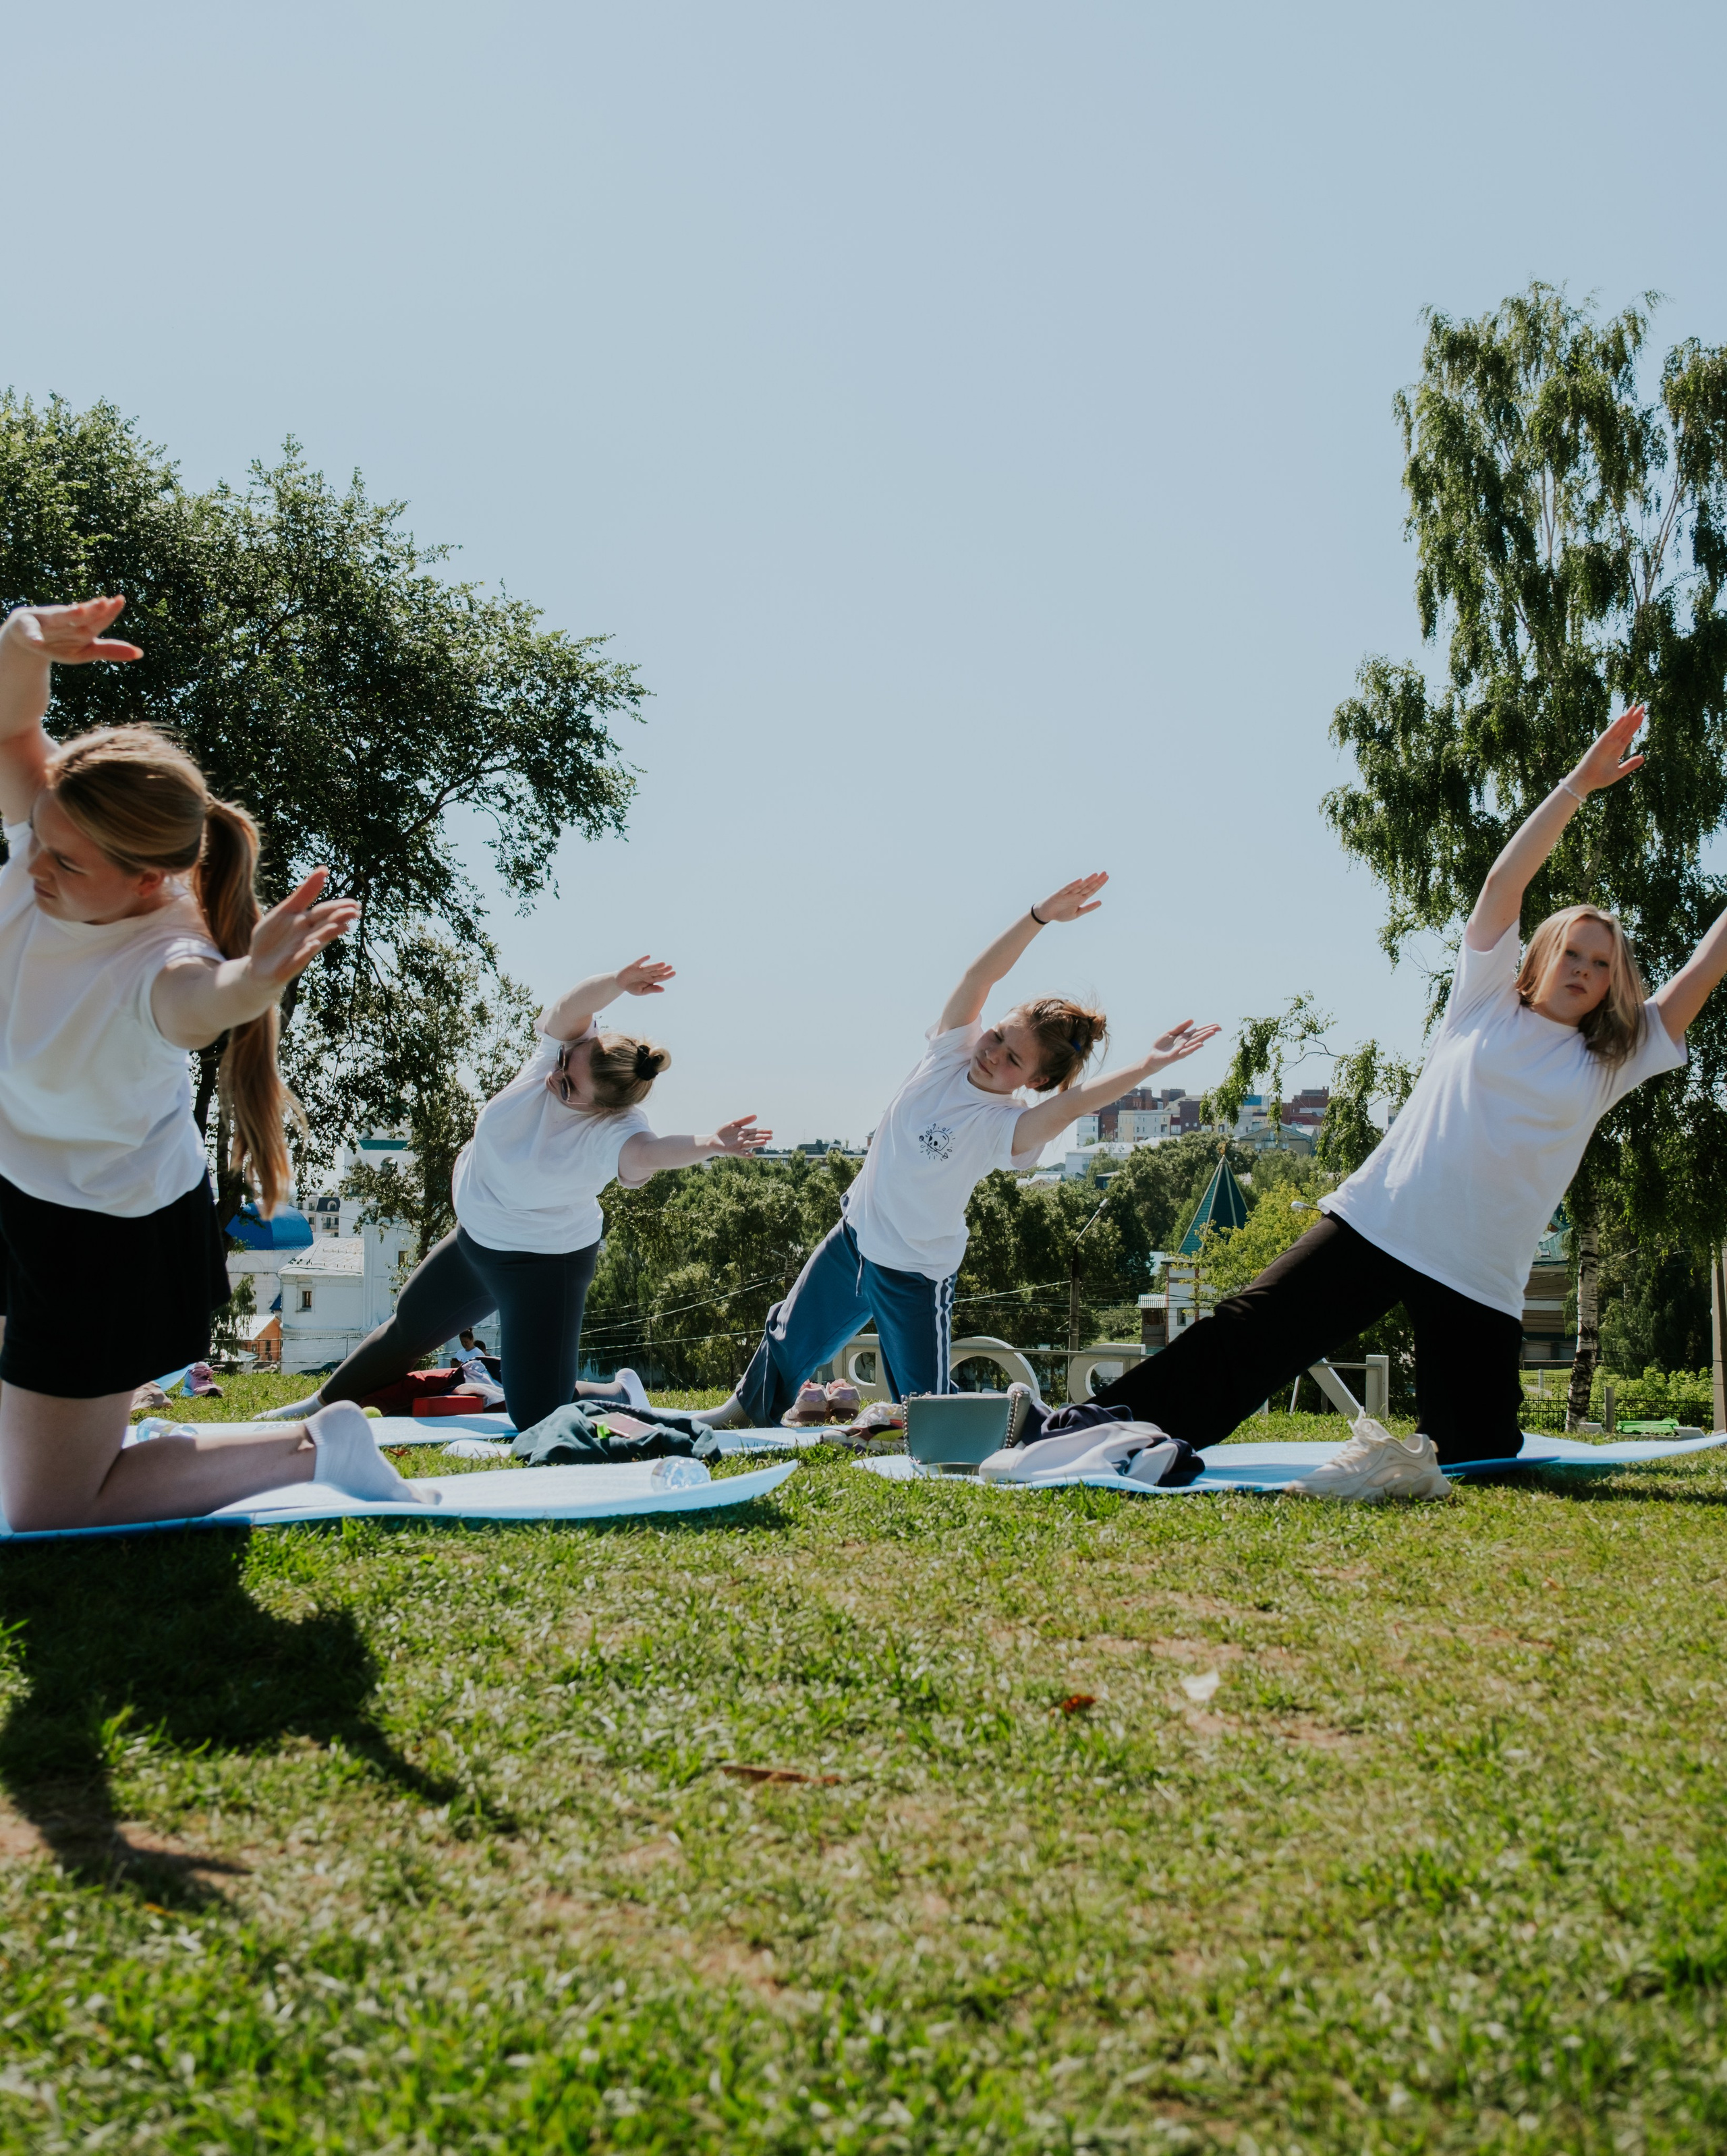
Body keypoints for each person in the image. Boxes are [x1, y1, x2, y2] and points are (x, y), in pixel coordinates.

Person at [1094, 706, 1727, 1497]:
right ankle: (1095, 1425)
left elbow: (1703, 971)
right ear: (1542, 955)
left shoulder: (1610, 1060)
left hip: (1479, 1275)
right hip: (1382, 1223)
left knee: (1480, 1455)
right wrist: (1575, 786)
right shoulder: (1484, 1000)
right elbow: (1504, 883)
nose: (1585, 970)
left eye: (1601, 964)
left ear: (1611, 983)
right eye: (1572, 951)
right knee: (1247, 1335)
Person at [0, 598, 403, 1531]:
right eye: (39, 840)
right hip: (23, 1182)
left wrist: (254, 979)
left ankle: (317, 1447)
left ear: (149, 880)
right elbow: (17, 726)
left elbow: (200, 1006)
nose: (35, 866)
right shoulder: (49, 840)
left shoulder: (160, 954)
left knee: (48, 1512)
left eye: (65, 861)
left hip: (103, 1233)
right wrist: (23, 635)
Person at [700, 875, 1218, 1428]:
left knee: (929, 1415)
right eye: (997, 1036)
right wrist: (1039, 917)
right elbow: (981, 975)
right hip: (856, 1238)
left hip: (912, 1272)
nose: (993, 1054)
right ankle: (740, 1410)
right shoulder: (949, 1053)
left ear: (1037, 1083)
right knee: (788, 1336)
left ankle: (1031, 1419)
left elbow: (1072, 1107)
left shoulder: (1003, 1126)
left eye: (1013, 1060)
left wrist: (1148, 1067)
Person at [256, 957, 772, 1433]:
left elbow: (650, 1154)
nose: (554, 1080)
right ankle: (318, 1405)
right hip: (476, 1241)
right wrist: (616, 983)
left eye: (569, 1087)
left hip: (544, 1266)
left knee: (536, 1415)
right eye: (565, 1062)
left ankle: (620, 1390)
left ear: (604, 1110)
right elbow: (573, 1007)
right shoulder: (557, 1058)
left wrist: (710, 1144)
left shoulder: (613, 1133)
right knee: (407, 1327)